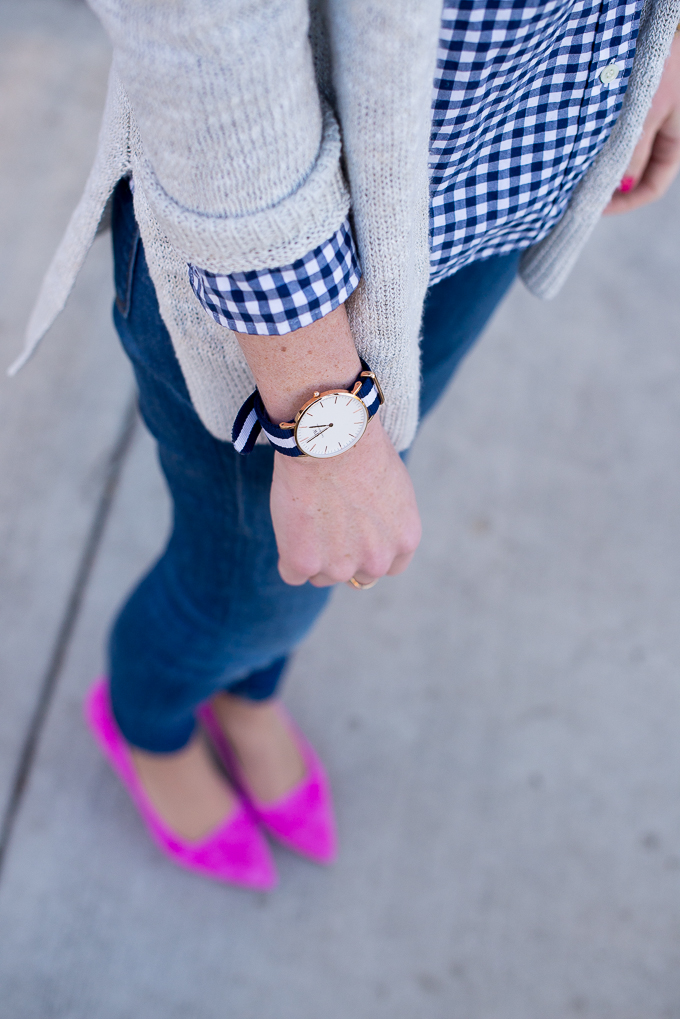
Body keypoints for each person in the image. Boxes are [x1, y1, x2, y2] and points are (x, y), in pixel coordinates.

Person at [18, 1, 680, 889]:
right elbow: (199, 37)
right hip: (278, 276)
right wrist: (323, 418)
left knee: (301, 557)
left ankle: (246, 691)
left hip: (489, 196)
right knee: (242, 584)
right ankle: (147, 723)